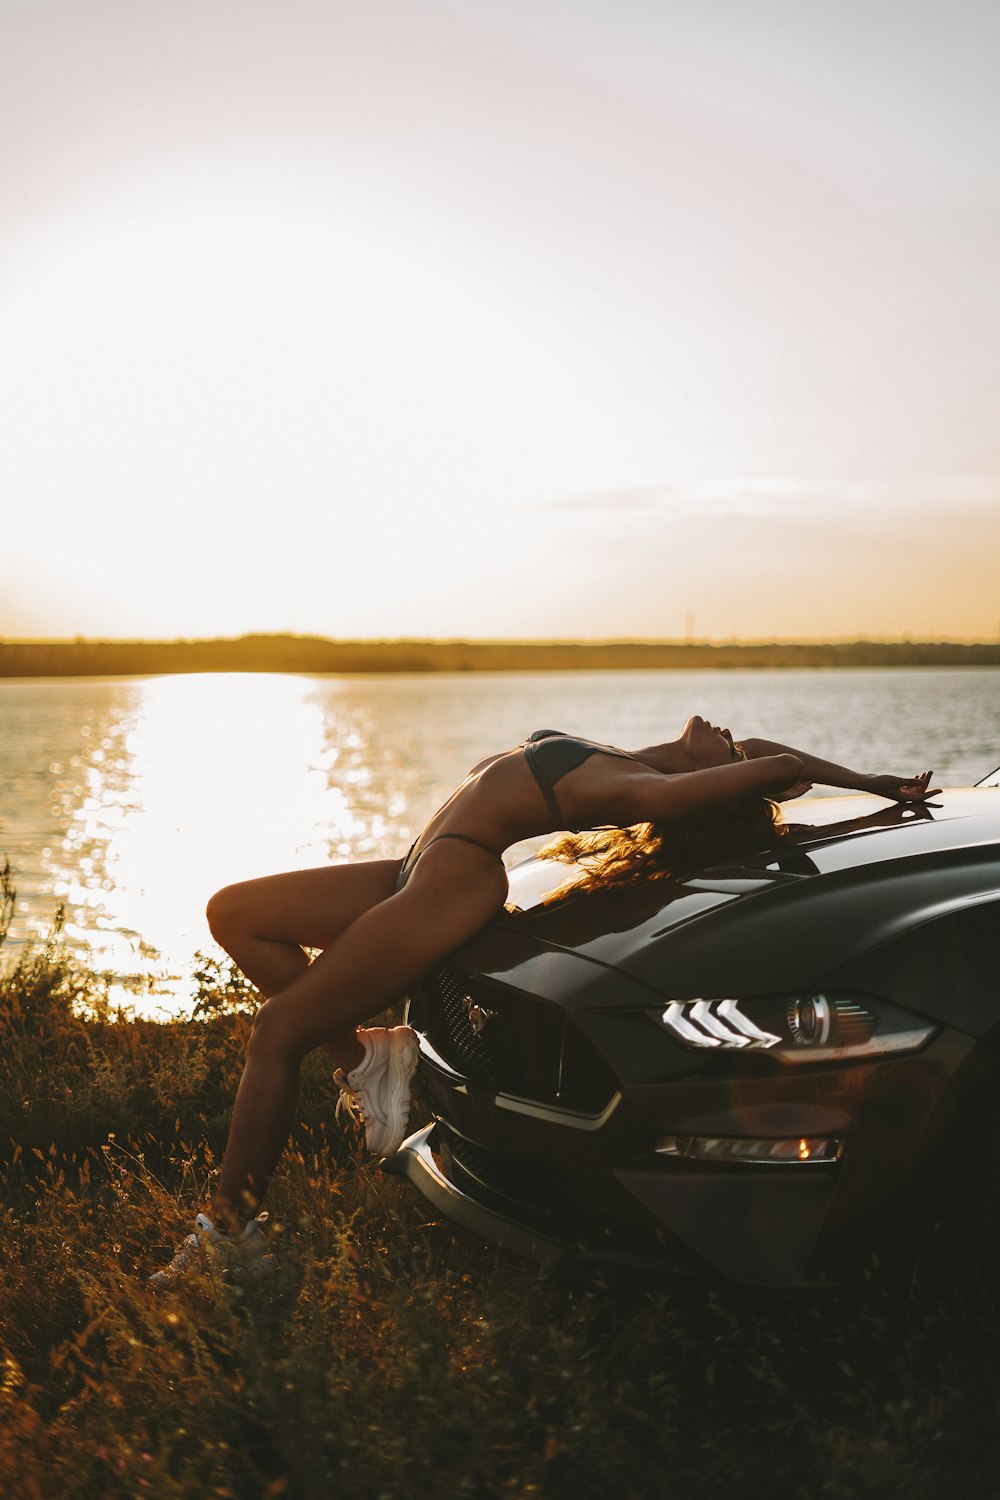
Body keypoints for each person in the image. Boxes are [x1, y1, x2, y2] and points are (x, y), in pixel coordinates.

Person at [149, 716, 936, 1288]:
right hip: (416, 869)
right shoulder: (652, 758)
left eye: (725, 752)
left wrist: (822, 782)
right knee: (236, 913)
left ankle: (229, 1234)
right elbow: (768, 757)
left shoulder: (641, 785)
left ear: (706, 787)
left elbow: (767, 767)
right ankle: (367, 1058)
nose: (730, 734)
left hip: (456, 879)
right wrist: (868, 779)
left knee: (276, 1034)